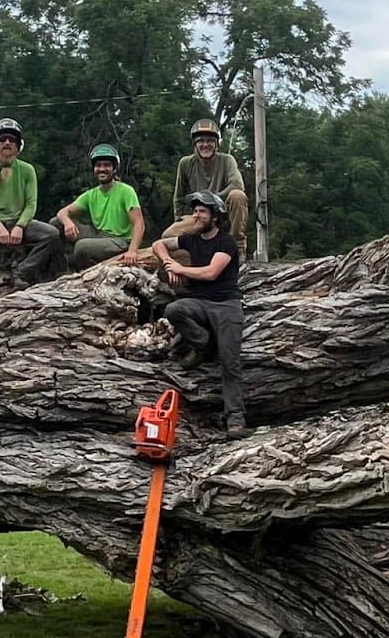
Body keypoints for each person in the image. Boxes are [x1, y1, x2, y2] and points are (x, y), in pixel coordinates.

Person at [153, 190, 247, 438]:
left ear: (214, 216)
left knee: (229, 361)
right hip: (200, 302)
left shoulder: (226, 242)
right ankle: (203, 341)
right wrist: (168, 264)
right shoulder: (190, 239)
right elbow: (158, 244)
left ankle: (235, 417)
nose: (196, 215)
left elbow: (211, 273)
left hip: (226, 304)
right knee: (174, 310)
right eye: (194, 211)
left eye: (202, 211)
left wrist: (181, 269)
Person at [0, 118, 60, 300]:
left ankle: (22, 273)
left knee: (52, 234)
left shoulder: (27, 170)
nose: (7, 143)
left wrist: (20, 226)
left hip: (19, 221)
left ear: (18, 146)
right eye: (2, 139)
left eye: (12, 140)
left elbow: (31, 204)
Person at [52, 144, 145, 271]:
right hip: (98, 235)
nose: (102, 169)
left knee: (82, 247)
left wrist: (132, 251)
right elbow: (63, 212)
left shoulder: (126, 191)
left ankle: (87, 274)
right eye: (98, 165)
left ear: (114, 169)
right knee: (56, 223)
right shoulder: (91, 194)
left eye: (106, 165)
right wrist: (68, 222)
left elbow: (139, 223)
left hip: (119, 240)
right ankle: (61, 270)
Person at [164, 118, 249, 254]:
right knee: (168, 236)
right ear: (195, 144)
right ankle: (193, 253)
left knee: (238, 195)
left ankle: (237, 248)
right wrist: (178, 220)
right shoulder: (185, 163)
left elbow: (237, 184)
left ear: (216, 143)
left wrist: (212, 199)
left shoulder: (227, 160)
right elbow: (179, 196)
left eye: (210, 141)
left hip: (221, 216)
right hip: (198, 216)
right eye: (201, 141)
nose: (205, 145)